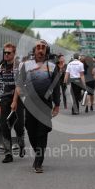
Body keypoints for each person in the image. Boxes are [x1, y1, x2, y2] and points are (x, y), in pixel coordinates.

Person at [15, 39, 60, 173]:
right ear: (34, 50)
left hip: (45, 104)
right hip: (30, 104)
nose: (40, 50)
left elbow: (56, 87)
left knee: (42, 132)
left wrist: (57, 104)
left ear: (46, 51)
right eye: (38, 48)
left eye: (43, 48)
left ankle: (38, 161)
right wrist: (22, 97)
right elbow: (19, 83)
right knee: (30, 130)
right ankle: (38, 153)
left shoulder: (52, 67)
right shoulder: (26, 65)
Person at [0, 43, 25, 163]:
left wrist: (15, 101)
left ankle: (21, 144)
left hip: (19, 98)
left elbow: (19, 85)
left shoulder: (20, 66)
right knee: (4, 125)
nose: (6, 55)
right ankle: (8, 153)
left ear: (14, 53)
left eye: (9, 53)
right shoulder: (0, 67)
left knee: (18, 125)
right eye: (4, 52)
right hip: (5, 99)